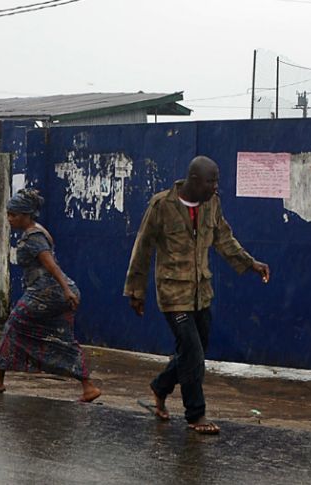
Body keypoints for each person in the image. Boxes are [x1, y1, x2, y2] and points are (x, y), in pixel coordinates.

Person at [124, 155, 270, 435]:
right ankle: (196, 414)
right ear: (193, 180)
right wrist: (136, 291)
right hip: (172, 291)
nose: (215, 187)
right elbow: (143, 247)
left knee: (197, 349)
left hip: (201, 291)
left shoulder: (212, 204)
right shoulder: (162, 205)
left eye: (216, 181)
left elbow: (224, 239)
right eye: (210, 181)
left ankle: (160, 386)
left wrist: (251, 263)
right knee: (192, 352)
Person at [0, 189, 101, 403]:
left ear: (26, 215)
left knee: (12, 326)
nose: (10, 219)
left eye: (14, 215)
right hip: (56, 293)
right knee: (63, 338)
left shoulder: (34, 237)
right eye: (9, 214)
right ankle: (89, 387)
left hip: (46, 293)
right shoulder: (39, 230)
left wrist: (66, 290)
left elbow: (50, 265)